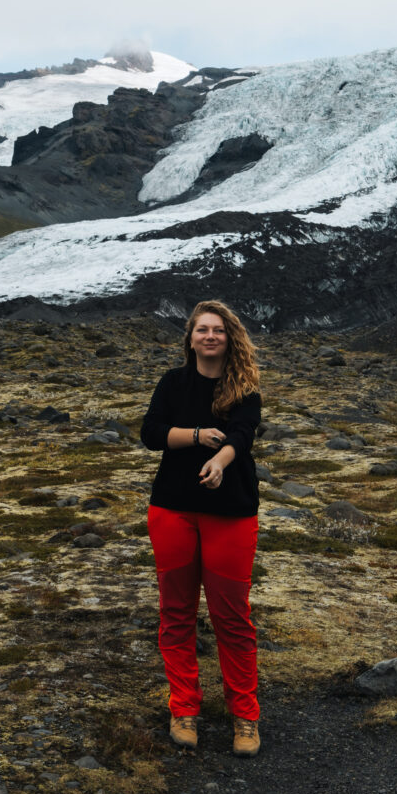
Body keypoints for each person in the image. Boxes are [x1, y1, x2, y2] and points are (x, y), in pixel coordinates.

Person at [140, 300, 262, 757]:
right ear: (190, 337)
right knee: (176, 611)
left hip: (231, 512)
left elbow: (245, 434)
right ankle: (184, 707)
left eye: (219, 330)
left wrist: (220, 458)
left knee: (233, 617)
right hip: (172, 510)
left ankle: (245, 716)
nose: (210, 336)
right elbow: (150, 433)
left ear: (229, 338)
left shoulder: (245, 386)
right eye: (202, 330)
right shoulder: (173, 383)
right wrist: (195, 436)